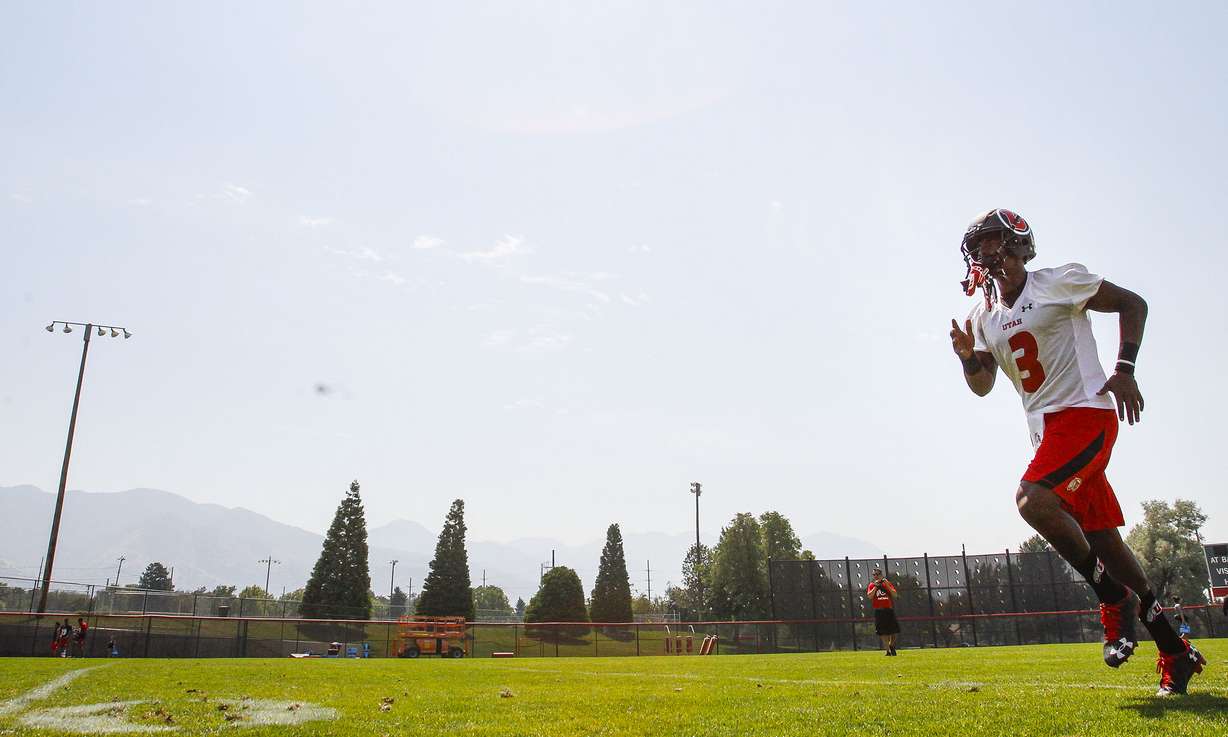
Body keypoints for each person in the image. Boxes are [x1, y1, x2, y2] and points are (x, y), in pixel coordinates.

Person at [949, 208, 1205, 696]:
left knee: (1032, 500)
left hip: (1085, 414)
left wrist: (1125, 368)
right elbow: (982, 386)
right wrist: (966, 358)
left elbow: (1134, 303)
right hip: (1049, 435)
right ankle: (1175, 651)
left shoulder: (1059, 281)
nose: (987, 250)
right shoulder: (982, 317)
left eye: (996, 240)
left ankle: (1112, 598)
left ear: (1022, 245)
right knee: (1106, 542)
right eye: (980, 243)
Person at [865, 568, 899, 656]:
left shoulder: (887, 583)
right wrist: (876, 587)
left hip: (888, 610)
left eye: (877, 574)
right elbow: (869, 596)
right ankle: (887, 651)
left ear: (881, 575)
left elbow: (895, 594)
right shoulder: (872, 585)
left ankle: (891, 645)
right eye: (874, 575)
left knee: (894, 632)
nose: (875, 576)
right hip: (879, 611)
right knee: (883, 632)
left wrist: (887, 584)